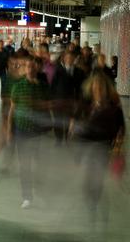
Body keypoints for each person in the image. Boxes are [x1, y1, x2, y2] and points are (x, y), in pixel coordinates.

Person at [70, 71, 125, 225]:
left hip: (102, 147)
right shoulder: (87, 103)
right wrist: (73, 126)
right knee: (87, 181)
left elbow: (121, 128)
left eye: (100, 87)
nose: (98, 90)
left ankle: (95, 205)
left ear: (106, 89)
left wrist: (118, 145)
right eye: (95, 87)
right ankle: (92, 204)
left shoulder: (114, 107)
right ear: (91, 88)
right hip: (85, 146)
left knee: (98, 179)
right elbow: (75, 118)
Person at [7, 55, 51, 209]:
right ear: (25, 70)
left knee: (40, 164)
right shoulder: (18, 87)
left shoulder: (43, 87)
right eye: (28, 67)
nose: (31, 69)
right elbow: (12, 109)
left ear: (37, 69)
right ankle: (27, 196)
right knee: (24, 165)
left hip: (38, 131)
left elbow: (47, 107)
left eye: (33, 67)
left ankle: (42, 192)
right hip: (22, 130)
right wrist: (9, 130)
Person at [51, 51, 86, 145]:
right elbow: (53, 86)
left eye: (71, 58)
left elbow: (82, 87)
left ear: (74, 59)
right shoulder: (58, 71)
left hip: (72, 100)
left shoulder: (80, 72)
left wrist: (80, 100)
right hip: (59, 99)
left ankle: (66, 138)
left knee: (68, 119)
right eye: (67, 58)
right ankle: (58, 139)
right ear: (64, 59)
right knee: (58, 120)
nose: (69, 60)